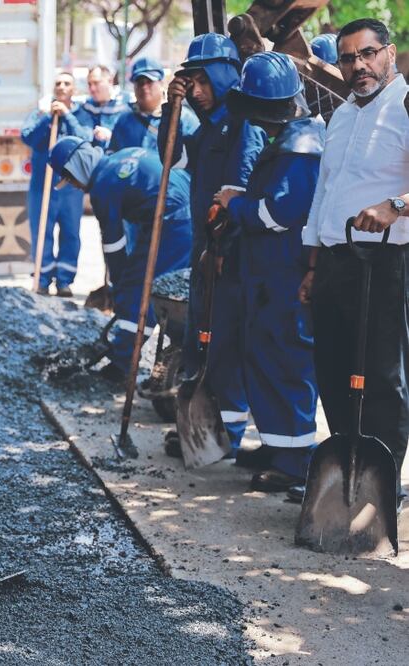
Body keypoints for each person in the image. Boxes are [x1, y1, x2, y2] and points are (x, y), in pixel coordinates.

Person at [298, 18, 409, 503]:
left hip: (387, 262)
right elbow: (326, 193)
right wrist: (313, 266)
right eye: (348, 58)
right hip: (336, 263)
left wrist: (396, 206)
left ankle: (381, 487)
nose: (358, 65)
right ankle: (345, 473)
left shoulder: (404, 105)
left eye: (367, 54)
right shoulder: (342, 114)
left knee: (382, 377)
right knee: (334, 369)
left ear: (389, 53)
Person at [212, 52, 321, 492]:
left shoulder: (300, 147)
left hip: (284, 274)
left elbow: (281, 211)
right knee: (264, 357)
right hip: (268, 275)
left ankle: (296, 460)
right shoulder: (289, 138)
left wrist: (233, 204)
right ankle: (278, 444)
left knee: (285, 359)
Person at [161, 33, 266, 458]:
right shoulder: (207, 128)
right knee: (202, 343)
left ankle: (230, 435)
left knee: (225, 344)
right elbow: (172, 158)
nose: (198, 92)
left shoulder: (243, 125)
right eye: (193, 84)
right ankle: (208, 430)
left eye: (203, 82)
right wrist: (173, 108)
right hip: (206, 251)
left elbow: (236, 192)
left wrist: (221, 250)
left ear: (225, 75)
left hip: (230, 256)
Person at [50, 137, 192, 381]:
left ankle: (124, 363)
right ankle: (180, 346)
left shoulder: (102, 188)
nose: (75, 186)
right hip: (184, 211)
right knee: (162, 289)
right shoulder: (122, 154)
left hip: (173, 222)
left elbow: (114, 245)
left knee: (139, 291)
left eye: (71, 179)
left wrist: (119, 287)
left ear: (77, 166)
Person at [20, 71, 90, 295]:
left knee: (70, 233)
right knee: (42, 232)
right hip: (42, 186)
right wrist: (48, 118)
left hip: (70, 188)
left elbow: (85, 139)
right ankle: (42, 279)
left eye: (67, 83)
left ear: (74, 90)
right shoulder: (42, 113)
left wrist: (67, 115)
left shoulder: (81, 114)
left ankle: (64, 281)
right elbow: (27, 136)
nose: (61, 86)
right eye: (57, 83)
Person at [110, 58, 199, 153]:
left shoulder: (182, 118)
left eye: (149, 81)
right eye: (140, 83)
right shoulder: (125, 120)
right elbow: (113, 153)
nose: (144, 87)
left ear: (161, 83)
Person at [78, 65, 124, 148]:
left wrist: (111, 136)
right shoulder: (88, 104)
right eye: (89, 84)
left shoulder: (128, 102)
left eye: (96, 83)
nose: (92, 88)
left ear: (110, 81)